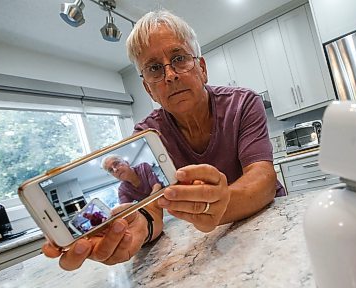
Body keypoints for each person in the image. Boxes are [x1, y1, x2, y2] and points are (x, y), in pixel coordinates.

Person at [42, 9, 285, 271]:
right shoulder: (148, 135)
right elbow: (154, 208)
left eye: (179, 58)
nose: (170, 75)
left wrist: (223, 202)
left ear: (201, 68)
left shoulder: (243, 103)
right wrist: (137, 230)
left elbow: (263, 179)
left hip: (270, 222)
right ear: (148, 88)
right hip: (211, 246)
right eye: (155, 68)